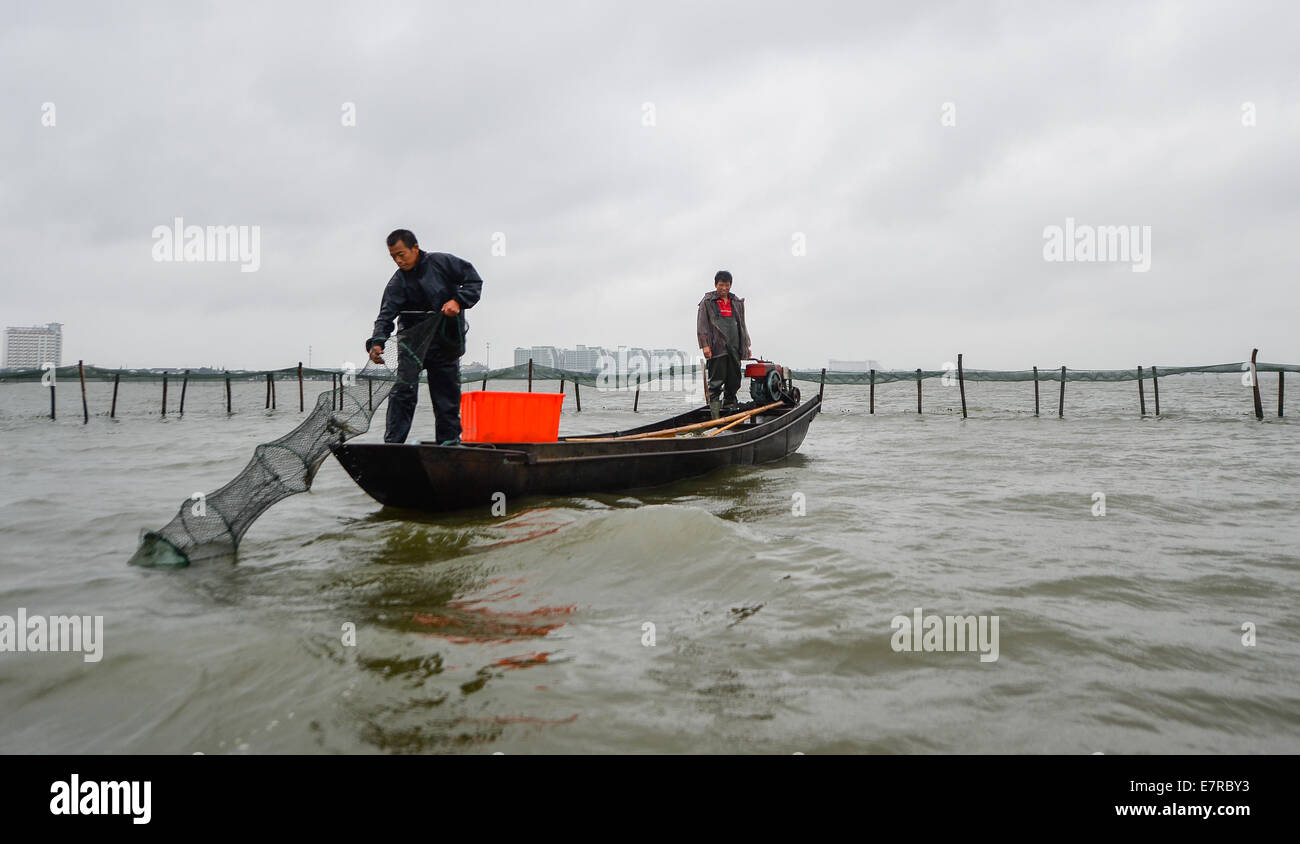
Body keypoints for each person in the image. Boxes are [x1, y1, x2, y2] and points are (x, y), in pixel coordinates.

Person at [366, 229, 483, 444]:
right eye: (393, 257)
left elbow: (474, 281)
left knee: (446, 397)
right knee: (403, 392)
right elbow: (386, 315)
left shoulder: (442, 263)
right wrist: (377, 342)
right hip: (412, 345)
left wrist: (458, 300)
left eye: (402, 254)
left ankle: (448, 444)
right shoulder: (397, 283)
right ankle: (394, 444)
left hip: (445, 342)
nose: (398, 260)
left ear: (415, 248)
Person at [696, 270, 752, 416]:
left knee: (735, 379)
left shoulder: (736, 302)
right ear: (716, 285)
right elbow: (702, 325)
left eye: (727, 285)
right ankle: (715, 416)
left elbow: (742, 325)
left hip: (734, 346)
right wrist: (705, 345)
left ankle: (729, 408)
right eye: (721, 285)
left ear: (730, 285)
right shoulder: (707, 302)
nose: (724, 288)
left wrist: (746, 345)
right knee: (716, 381)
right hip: (717, 347)